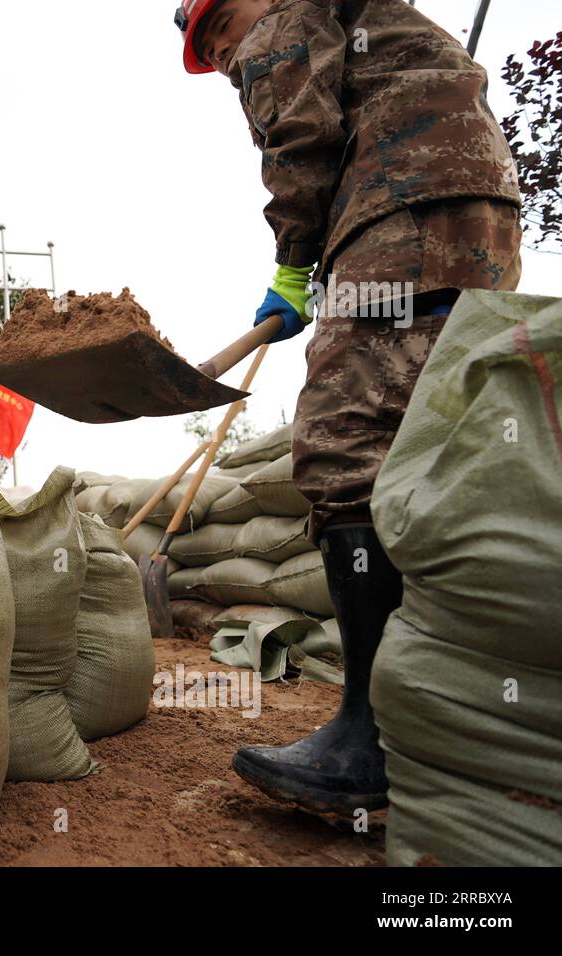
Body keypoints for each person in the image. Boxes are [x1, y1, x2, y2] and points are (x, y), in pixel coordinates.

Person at [174, 0, 521, 813]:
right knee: (429, 448)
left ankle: (373, 736)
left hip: (405, 208)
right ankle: (447, 717)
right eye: (214, 50)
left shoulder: (287, 12)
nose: (228, 57)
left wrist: (295, 264)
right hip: (469, 206)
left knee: (339, 440)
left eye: (223, 35)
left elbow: (299, 135)